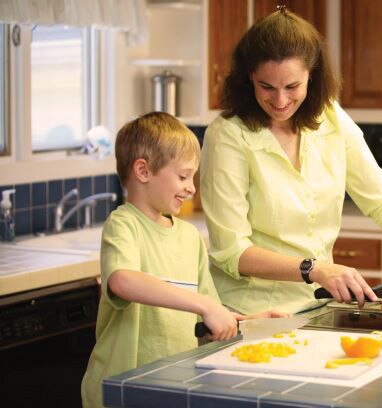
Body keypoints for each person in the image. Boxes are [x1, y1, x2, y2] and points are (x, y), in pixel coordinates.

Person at [199, 7, 382, 315]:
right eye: (266, 87)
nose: (281, 101)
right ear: (249, 79)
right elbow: (232, 252)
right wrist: (315, 269)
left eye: (292, 86)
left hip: (318, 306)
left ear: (312, 76)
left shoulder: (330, 117)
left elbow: (380, 200)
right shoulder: (228, 136)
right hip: (250, 313)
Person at [81, 112, 285, 408]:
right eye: (182, 176)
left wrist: (251, 323)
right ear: (143, 171)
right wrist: (206, 306)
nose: (191, 187)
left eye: (192, 176)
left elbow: (208, 316)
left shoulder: (190, 238)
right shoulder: (124, 224)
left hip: (171, 386)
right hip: (122, 390)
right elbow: (123, 280)